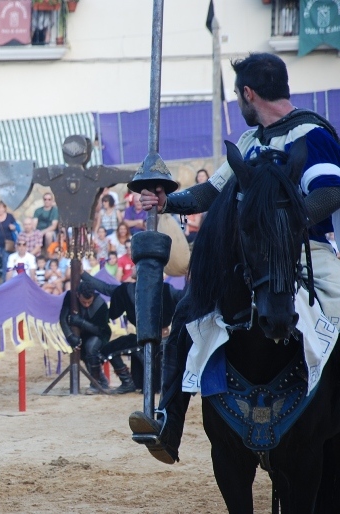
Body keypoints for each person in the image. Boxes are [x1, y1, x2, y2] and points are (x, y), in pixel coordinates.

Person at [135, 52, 340, 465]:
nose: (238, 104)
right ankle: (168, 422)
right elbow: (208, 195)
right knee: (188, 316)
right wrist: (165, 201)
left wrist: (282, 224)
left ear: (249, 94)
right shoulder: (249, 143)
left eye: (237, 96)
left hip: (305, 254)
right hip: (248, 263)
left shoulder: (310, 134)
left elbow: (330, 192)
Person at [60, 281, 111, 394]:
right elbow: (63, 318)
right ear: (78, 295)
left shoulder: (100, 303)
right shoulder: (70, 297)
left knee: (90, 347)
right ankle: (102, 381)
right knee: (83, 354)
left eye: (89, 302)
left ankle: (95, 383)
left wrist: (81, 322)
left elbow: (100, 329)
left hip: (100, 334)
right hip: (82, 334)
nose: (87, 304)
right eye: (84, 302)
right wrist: (70, 336)